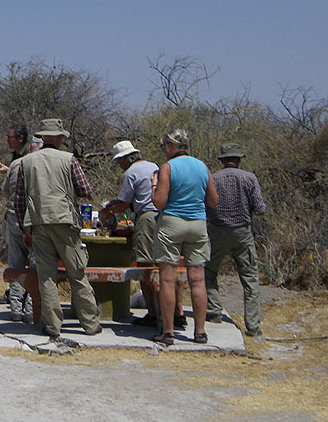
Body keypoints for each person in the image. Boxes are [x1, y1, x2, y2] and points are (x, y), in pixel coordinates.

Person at [13, 118, 102, 338]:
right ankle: (90, 324)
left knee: (47, 277)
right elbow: (86, 190)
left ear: (43, 137)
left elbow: (19, 199)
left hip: (38, 223)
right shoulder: (69, 159)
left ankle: (52, 326)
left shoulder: (27, 161)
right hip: (65, 222)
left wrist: (25, 229)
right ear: (59, 138)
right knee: (77, 274)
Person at [99, 140, 184, 328]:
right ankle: (178, 312)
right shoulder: (153, 166)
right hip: (164, 216)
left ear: (125, 159)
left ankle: (153, 314)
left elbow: (124, 204)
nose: (118, 165)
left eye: (118, 161)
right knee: (166, 265)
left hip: (146, 218)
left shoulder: (130, 173)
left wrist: (109, 211)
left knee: (145, 266)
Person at [149, 129, 218, 346]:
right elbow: (214, 201)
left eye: (163, 147)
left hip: (171, 223)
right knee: (198, 280)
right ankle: (200, 332)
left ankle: (168, 332)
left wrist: (154, 183)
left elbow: (159, 202)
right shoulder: (202, 166)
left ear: (171, 145)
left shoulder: (167, 167)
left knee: (168, 280)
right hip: (197, 224)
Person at [205, 143, 267, 338]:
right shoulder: (249, 178)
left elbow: (205, 204)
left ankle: (214, 310)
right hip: (242, 232)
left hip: (216, 231)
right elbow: (260, 208)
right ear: (239, 159)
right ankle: (253, 325)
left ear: (222, 160)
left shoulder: (212, 178)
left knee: (209, 271)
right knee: (249, 278)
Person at [0, 125, 34, 322]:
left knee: (22, 262)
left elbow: (7, 191)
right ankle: (22, 306)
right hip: (23, 217)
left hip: (23, 218)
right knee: (25, 261)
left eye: (9, 137)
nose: (7, 140)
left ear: (20, 138)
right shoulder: (19, 159)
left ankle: (22, 306)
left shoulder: (24, 159)